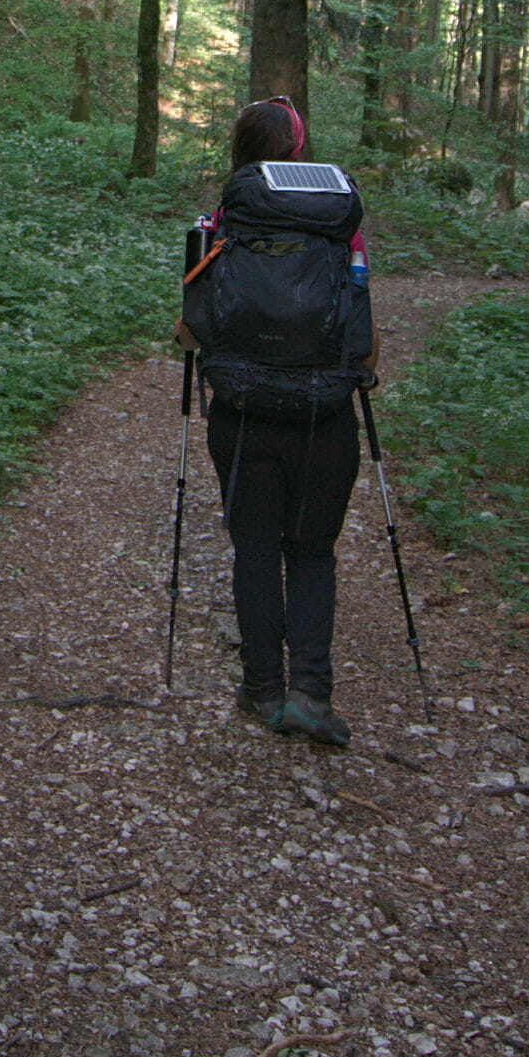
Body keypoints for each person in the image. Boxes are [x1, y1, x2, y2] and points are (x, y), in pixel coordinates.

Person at [174, 96, 374, 749]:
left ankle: (262, 688)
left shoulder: (219, 221)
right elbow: (367, 345)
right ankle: (310, 693)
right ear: (299, 155)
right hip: (325, 418)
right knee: (311, 550)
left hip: (242, 414)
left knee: (255, 548)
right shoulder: (340, 222)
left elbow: (189, 332)